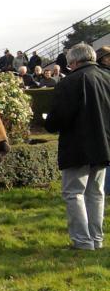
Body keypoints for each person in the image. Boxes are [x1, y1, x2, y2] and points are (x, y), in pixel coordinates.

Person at [43, 42, 110, 251]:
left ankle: (82, 241)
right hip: (103, 144)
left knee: (74, 193)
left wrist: (48, 122)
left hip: (78, 146)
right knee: (96, 193)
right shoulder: (107, 77)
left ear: (74, 61)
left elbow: (58, 118)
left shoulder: (71, 81)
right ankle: (96, 239)